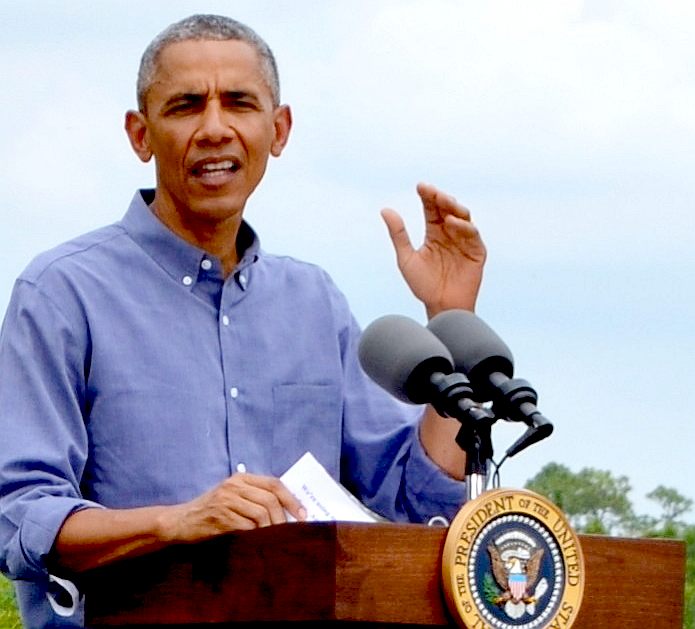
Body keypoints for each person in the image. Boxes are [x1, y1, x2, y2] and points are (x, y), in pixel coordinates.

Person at [0, 14, 486, 629]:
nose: (214, 129)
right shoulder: (63, 293)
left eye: (239, 103)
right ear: (140, 134)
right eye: (184, 106)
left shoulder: (314, 301)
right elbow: (21, 516)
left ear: (277, 130)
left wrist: (449, 319)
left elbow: (415, 497)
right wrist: (174, 523)